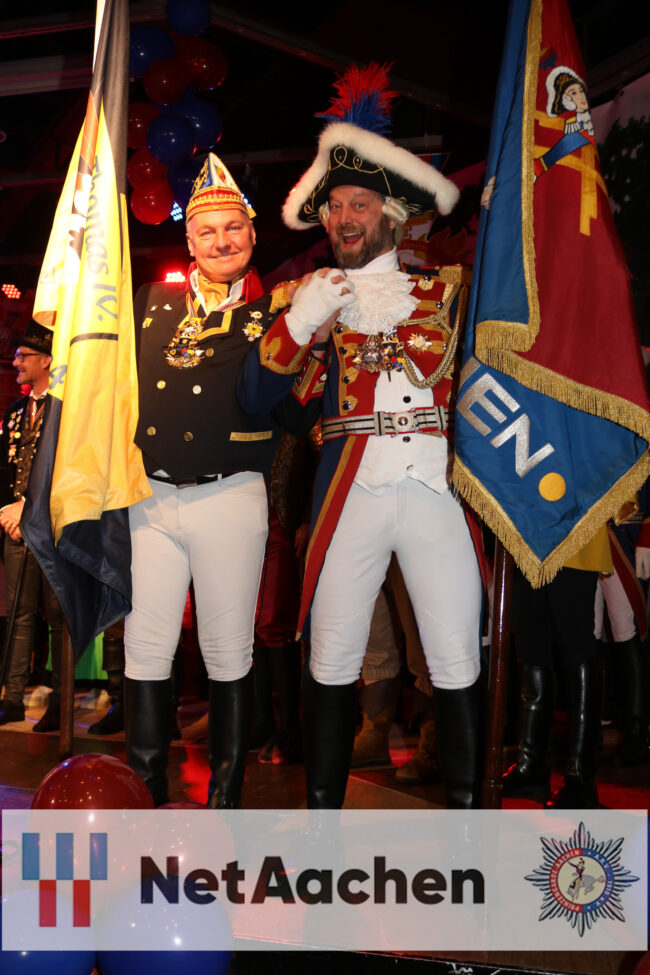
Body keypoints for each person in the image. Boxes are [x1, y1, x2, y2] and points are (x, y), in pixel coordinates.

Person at [239, 67, 484, 809]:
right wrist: (299, 321)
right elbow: (258, 399)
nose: (344, 217)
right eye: (335, 206)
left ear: (391, 214)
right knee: (332, 656)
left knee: (456, 659)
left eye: (359, 203)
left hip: (435, 492)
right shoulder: (309, 301)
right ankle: (323, 829)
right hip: (351, 496)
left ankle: (470, 829)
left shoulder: (448, 291)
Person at [125, 153, 299, 807]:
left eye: (233, 228)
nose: (222, 241)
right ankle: (145, 791)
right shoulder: (151, 303)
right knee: (145, 648)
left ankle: (226, 799)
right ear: (189, 241)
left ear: (252, 234)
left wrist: (303, 339)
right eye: (207, 231)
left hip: (230, 496)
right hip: (151, 498)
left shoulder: (277, 314)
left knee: (228, 650)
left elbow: (296, 413)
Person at [0, 319, 65, 732]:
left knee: (57, 616)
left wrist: (28, 507)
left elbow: (67, 469)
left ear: (46, 360)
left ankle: (60, 700)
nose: (16, 362)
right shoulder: (15, 412)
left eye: (23, 356)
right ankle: (11, 697)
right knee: (17, 614)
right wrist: (6, 510)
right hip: (14, 528)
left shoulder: (66, 409)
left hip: (51, 526)